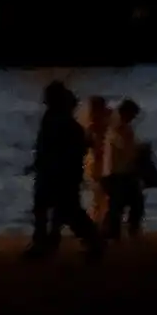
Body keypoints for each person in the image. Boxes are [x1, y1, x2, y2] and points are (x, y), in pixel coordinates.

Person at [24, 81, 102, 260]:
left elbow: (60, 148)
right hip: (56, 172)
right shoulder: (57, 120)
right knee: (57, 210)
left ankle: (91, 241)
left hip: (60, 174)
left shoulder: (59, 121)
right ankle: (46, 243)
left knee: (66, 211)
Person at [102, 99, 145, 240]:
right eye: (132, 115)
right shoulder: (118, 128)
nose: (133, 118)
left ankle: (118, 231)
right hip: (115, 174)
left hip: (119, 173)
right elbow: (125, 149)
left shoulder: (120, 126)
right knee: (122, 204)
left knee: (122, 204)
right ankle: (118, 232)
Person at [81, 96, 112, 225]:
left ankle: (99, 221)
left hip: (99, 164)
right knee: (101, 196)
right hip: (97, 165)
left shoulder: (97, 124)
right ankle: (99, 221)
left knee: (101, 196)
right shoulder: (95, 125)